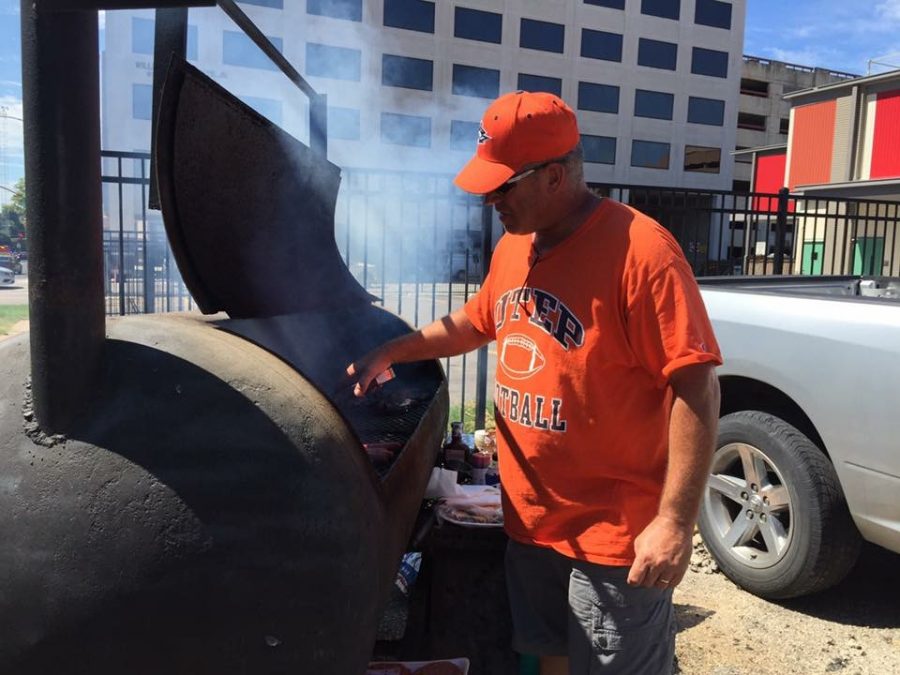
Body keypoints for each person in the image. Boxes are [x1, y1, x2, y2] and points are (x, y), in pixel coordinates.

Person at [346, 91, 722, 675]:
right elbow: (476, 321)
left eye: (503, 186)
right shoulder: (516, 245)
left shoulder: (643, 255)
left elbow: (696, 389)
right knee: (546, 657)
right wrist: (396, 348)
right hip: (530, 518)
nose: (491, 200)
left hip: (611, 533)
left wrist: (674, 521)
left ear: (553, 176)